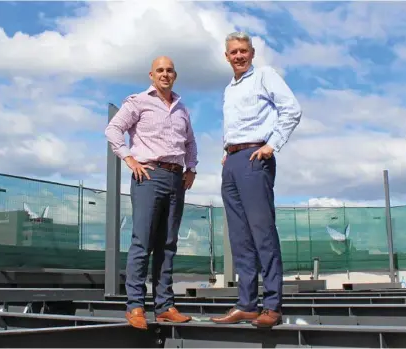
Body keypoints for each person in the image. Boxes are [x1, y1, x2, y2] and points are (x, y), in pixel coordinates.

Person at [210, 32, 302, 328]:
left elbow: (292, 110)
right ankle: (247, 304)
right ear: (227, 57)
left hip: (255, 157)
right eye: (233, 52)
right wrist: (227, 151)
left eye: (243, 51)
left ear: (252, 53)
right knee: (240, 237)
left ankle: (272, 305)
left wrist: (271, 145)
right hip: (232, 161)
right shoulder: (228, 89)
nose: (238, 56)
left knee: (262, 233)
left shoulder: (265, 76)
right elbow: (234, 123)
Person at [104, 56, 198, 330]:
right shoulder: (138, 102)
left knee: (168, 244)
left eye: (169, 70)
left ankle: (165, 305)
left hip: (176, 179)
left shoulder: (182, 109)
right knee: (142, 242)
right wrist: (129, 159)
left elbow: (190, 142)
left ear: (175, 75)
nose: (165, 74)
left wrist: (191, 168)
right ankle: (135, 305)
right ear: (151, 75)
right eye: (160, 70)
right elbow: (113, 129)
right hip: (148, 176)